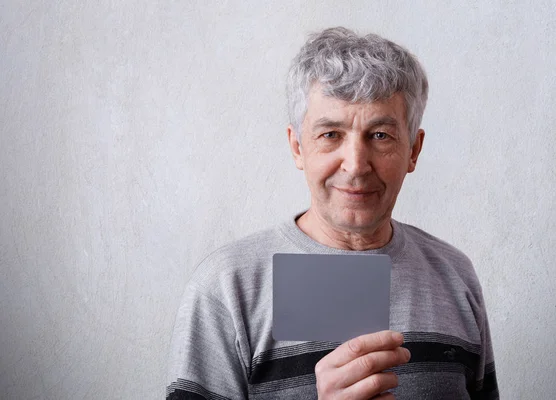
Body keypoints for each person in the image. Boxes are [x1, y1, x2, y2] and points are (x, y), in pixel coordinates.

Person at [166, 27, 499, 399]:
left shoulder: (456, 277)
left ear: (414, 151)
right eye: (331, 134)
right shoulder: (227, 289)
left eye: (380, 135)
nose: (356, 165)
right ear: (297, 146)